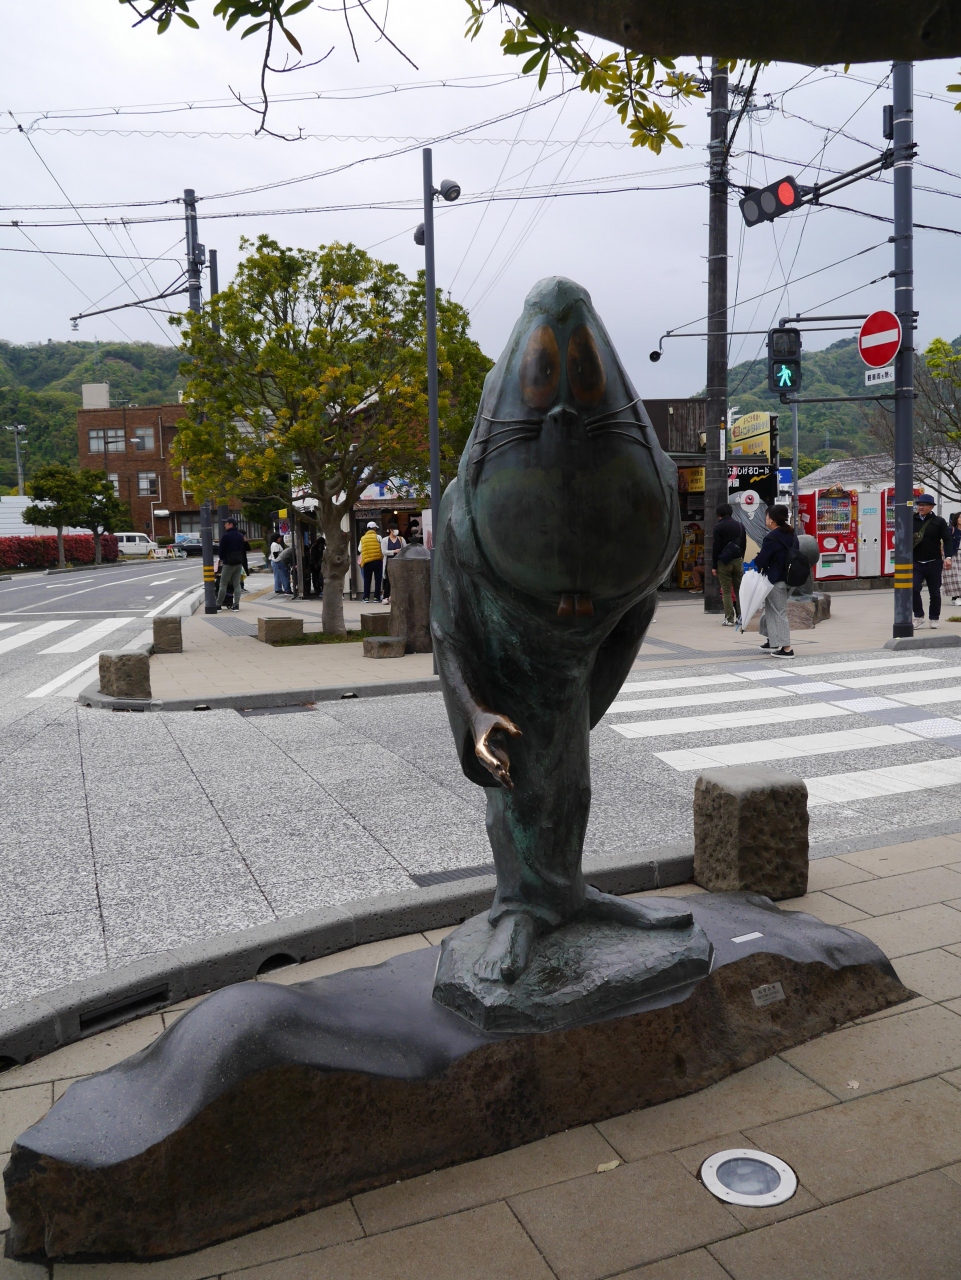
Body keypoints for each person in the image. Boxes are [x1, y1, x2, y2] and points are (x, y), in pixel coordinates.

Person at [755, 504, 799, 658]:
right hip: (791, 578)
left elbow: (762, 560)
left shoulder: (772, 537)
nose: (766, 519)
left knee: (778, 612)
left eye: (767, 516)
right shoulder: (791, 534)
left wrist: (755, 562)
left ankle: (787, 649)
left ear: (772, 520)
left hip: (776, 580)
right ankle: (772, 640)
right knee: (771, 609)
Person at [913, 496, 952, 629]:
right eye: (919, 504)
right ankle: (918, 616)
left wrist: (948, 557)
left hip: (934, 562)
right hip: (916, 562)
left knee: (934, 592)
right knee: (913, 588)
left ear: (931, 507)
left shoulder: (939, 521)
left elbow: (947, 539)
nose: (921, 507)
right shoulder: (911, 520)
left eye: (924, 505)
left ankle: (934, 618)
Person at [711, 502, 746, 626]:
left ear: (718, 514)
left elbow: (716, 548)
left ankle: (729, 619)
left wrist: (714, 566)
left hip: (724, 562)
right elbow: (743, 545)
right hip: (738, 561)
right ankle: (741, 617)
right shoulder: (740, 526)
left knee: (726, 591)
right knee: (739, 590)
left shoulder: (718, 527)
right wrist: (741, 558)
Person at [216, 517, 246, 611]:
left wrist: (221, 558)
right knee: (237, 584)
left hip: (228, 563)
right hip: (238, 562)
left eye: (226, 523)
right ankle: (236, 605)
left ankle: (218, 605)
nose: (224, 525)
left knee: (223, 584)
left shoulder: (226, 536)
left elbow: (221, 550)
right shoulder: (240, 536)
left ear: (231, 525)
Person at [359, 520, 384, 602]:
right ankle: (376, 597)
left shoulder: (363, 538)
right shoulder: (378, 537)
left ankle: (366, 598)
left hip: (367, 561)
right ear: (374, 529)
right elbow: (382, 548)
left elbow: (360, 549)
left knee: (367, 580)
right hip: (377, 561)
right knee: (378, 580)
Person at [381, 524, 406, 602]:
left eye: (396, 528)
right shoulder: (385, 540)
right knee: (389, 580)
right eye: (394, 529)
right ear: (390, 530)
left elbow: (405, 549)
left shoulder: (401, 539)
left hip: (399, 562)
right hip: (389, 562)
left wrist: (401, 551)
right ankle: (386, 597)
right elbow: (384, 551)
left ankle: (396, 596)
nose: (396, 530)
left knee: (399, 580)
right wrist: (394, 551)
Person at [269, 530, 291, 596]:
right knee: (284, 576)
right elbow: (276, 555)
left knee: (278, 576)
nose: (280, 538)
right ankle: (287, 589)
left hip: (276, 562)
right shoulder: (275, 545)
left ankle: (278, 588)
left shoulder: (275, 544)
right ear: (276, 538)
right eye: (279, 537)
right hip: (278, 561)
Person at [309, 534, 325, 599]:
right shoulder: (314, 547)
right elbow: (313, 557)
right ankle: (316, 587)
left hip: (319, 563)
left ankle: (318, 587)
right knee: (315, 576)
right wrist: (315, 564)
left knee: (318, 576)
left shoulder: (320, 547)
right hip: (314, 563)